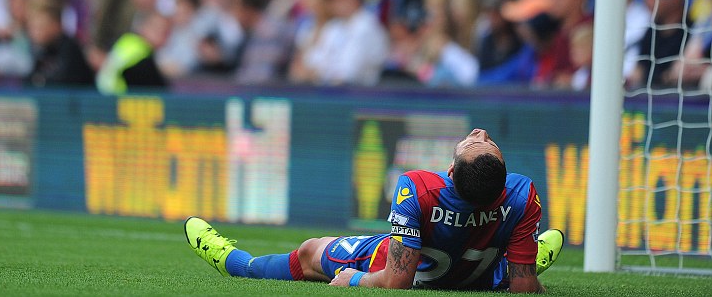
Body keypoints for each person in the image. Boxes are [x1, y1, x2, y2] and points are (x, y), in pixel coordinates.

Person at [185, 129, 563, 292]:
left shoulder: (417, 186)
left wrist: (354, 280)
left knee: (310, 251)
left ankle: (235, 262)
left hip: (414, 270)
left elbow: (396, 282)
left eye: (479, 142)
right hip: (482, 277)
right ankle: (530, 253)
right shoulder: (522, 192)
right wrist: (526, 274)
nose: (479, 133)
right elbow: (524, 290)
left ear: (450, 172)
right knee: (514, 269)